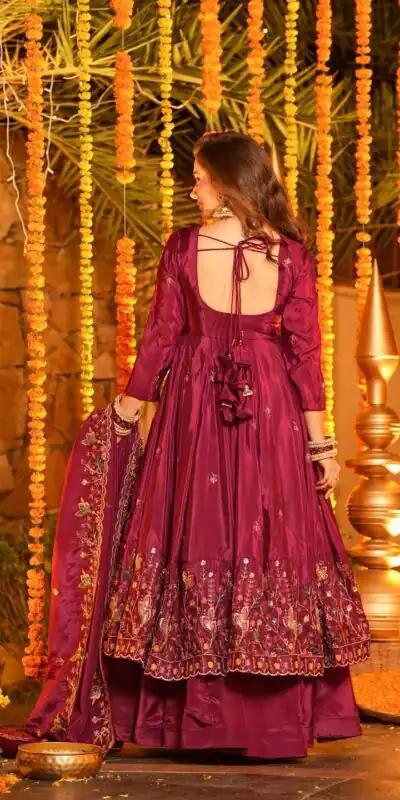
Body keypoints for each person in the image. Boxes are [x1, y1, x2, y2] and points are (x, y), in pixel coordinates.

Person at [0, 132, 370, 761]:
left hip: (193, 414)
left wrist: (126, 411)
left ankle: (191, 719)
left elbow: (163, 340)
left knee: (196, 535)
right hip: (272, 415)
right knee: (261, 537)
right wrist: (320, 447)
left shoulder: (184, 248)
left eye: (198, 177)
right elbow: (304, 358)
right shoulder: (291, 256)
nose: (193, 189)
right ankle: (268, 724)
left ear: (225, 182)